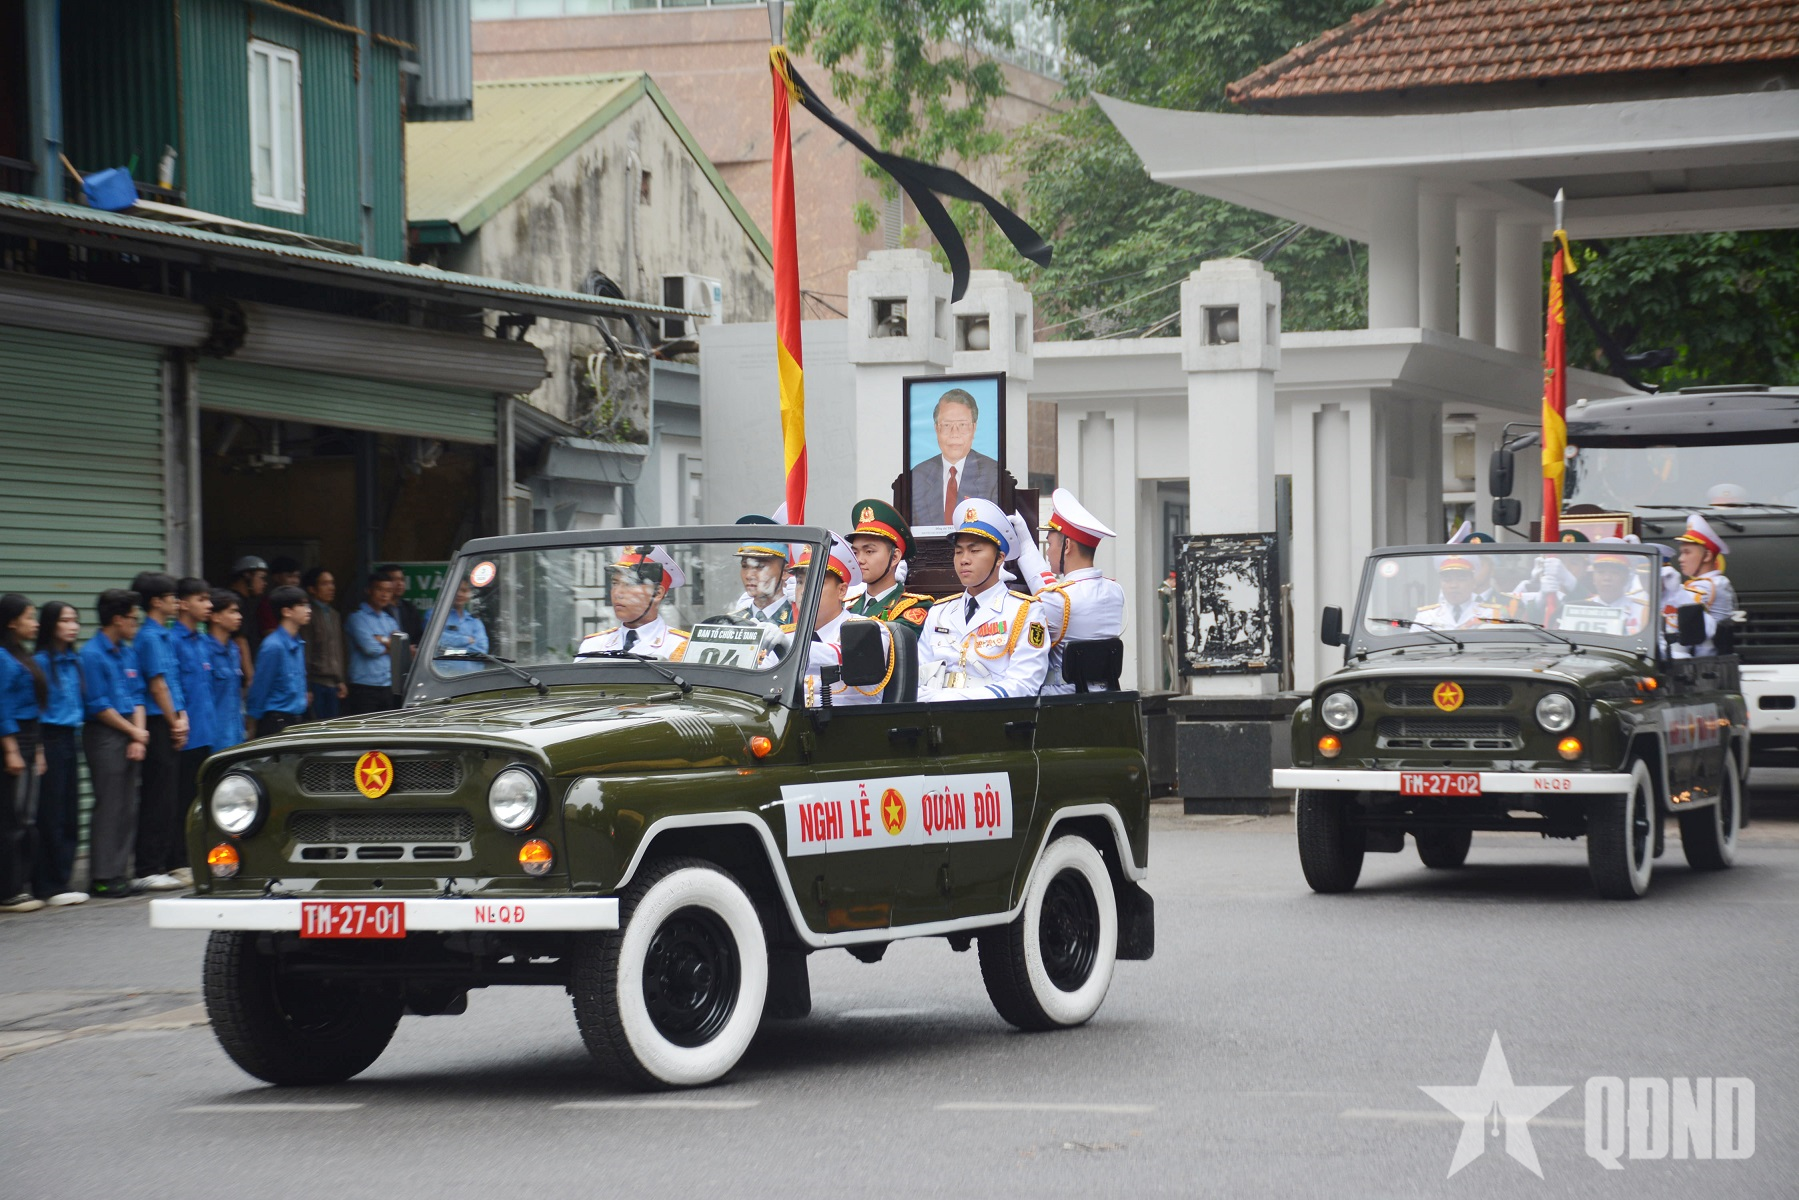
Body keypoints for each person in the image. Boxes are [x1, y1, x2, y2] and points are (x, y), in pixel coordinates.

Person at [918, 498, 1050, 701]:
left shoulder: (1025, 611)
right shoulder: (939, 612)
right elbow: (918, 675)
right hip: (934, 714)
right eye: (958, 551)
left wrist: (954, 700)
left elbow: (1024, 684)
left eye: (975, 550)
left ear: (999, 558)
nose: (964, 559)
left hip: (992, 718)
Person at [1008, 488, 1127, 695]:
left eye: (1050, 543)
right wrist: (1026, 542)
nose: (1048, 551)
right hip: (1105, 697)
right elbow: (1047, 587)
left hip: (1061, 701)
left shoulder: (1059, 600)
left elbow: (1047, 593)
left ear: (1068, 546)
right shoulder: (1114, 591)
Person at [80, 589, 149, 898]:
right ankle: (103, 876)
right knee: (109, 805)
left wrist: (139, 734)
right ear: (118, 619)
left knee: (127, 806)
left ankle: (121, 871)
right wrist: (134, 733)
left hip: (130, 732)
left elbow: (137, 696)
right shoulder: (92, 654)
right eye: (133, 619)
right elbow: (98, 705)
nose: (136, 624)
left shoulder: (128, 651)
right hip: (105, 733)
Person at [129, 572, 187, 893]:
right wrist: (174, 719)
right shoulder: (149, 637)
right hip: (157, 721)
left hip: (171, 719)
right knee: (156, 795)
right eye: (171, 597)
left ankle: (162, 862)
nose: (176, 602)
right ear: (155, 601)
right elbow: (157, 684)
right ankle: (147, 867)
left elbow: (173, 681)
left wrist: (182, 717)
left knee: (168, 795)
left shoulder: (163, 634)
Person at [31, 601, 88, 907]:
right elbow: (35, 711)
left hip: (70, 739)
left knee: (69, 811)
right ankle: (47, 883)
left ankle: (62, 879)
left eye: (75, 620)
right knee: (49, 813)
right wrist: (38, 749)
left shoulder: (73, 660)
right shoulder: (39, 661)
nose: (73, 626)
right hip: (49, 739)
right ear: (51, 624)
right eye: (66, 620)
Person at [794, 534, 892, 709]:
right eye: (800, 582)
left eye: (816, 582)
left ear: (842, 591)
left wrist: (786, 648)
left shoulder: (869, 630)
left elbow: (839, 655)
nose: (804, 590)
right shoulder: (787, 634)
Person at [168, 578, 217, 887]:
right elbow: (172, 685)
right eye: (202, 599)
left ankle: (196, 857)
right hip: (185, 734)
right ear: (183, 604)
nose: (208, 605)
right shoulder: (173, 641)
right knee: (180, 800)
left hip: (206, 731)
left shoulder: (203, 641)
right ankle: (177, 860)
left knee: (202, 799)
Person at [0, 595, 48, 913]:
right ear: (11, 622)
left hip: (30, 738)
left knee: (26, 817)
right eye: (30, 617)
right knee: (11, 818)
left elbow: (34, 709)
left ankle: (22, 884)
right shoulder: (3, 657)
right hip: (13, 741)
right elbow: (1, 705)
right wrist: (11, 750)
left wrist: (39, 750)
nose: (36, 623)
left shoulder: (22, 654)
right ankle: (9, 891)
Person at [576, 547, 690, 660]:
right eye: (615, 583)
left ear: (657, 593)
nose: (617, 593)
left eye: (629, 584)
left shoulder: (680, 647)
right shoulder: (594, 645)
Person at [908, 388, 1000, 527]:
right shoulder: (917, 477)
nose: (954, 433)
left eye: (962, 425)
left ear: (974, 428)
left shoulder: (993, 475)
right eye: (946, 425)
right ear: (936, 429)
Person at [846, 498, 932, 626]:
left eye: (869, 551)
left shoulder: (912, 607)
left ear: (895, 557)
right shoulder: (846, 606)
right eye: (855, 553)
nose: (859, 560)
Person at [1667, 512, 1737, 658]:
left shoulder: (1710, 585)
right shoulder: (1707, 583)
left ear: (1707, 556)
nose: (1681, 559)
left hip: (1705, 663)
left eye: (1687, 553)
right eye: (1681, 553)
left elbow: (1681, 618)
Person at [246, 586, 311, 737]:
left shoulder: (298, 643)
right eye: (301, 605)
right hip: (276, 722)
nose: (308, 610)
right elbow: (260, 687)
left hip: (296, 720)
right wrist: (252, 723)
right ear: (286, 611)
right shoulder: (273, 646)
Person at [1558, 540, 1650, 635]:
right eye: (1601, 572)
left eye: (1614, 573)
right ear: (1593, 577)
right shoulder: (1579, 608)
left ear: (1626, 578)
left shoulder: (1643, 610)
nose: (1607, 578)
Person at [344, 576, 401, 714]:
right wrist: (390, 644)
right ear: (368, 591)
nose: (384, 594)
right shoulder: (357, 618)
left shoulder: (389, 620)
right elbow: (370, 649)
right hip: (364, 685)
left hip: (387, 684)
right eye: (379, 589)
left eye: (388, 590)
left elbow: (400, 648)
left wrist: (382, 639)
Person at [300, 567, 348, 719]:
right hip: (315, 682)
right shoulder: (309, 614)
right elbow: (306, 651)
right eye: (325, 584)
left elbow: (339, 650)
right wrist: (306, 687)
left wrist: (341, 680)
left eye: (332, 583)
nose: (331, 588)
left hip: (333, 683)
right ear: (312, 589)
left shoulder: (334, 614)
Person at [1414, 554, 1508, 630]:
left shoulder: (1491, 615)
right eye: (1447, 580)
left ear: (1473, 583)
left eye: (1461, 579)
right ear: (1440, 584)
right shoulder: (1425, 617)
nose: (1453, 585)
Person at [732, 519, 796, 628]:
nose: (749, 575)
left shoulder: (797, 619)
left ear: (785, 572)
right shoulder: (733, 622)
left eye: (760, 566)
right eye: (744, 566)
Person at [207, 590, 248, 750]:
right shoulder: (204, 650)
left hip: (236, 734)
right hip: (214, 737)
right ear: (215, 617)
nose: (239, 616)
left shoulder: (233, 649)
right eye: (232, 612)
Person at [226, 555, 267, 691]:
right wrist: (250, 676)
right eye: (261, 578)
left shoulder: (247, 602)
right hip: (239, 676)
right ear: (247, 576)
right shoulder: (237, 603)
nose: (264, 583)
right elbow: (240, 640)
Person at [425, 579, 489, 665]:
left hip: (472, 676)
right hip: (442, 675)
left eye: (464, 590)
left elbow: (481, 650)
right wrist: (465, 640)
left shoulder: (475, 622)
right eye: (455, 590)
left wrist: (449, 652)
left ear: (469, 594)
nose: (459, 594)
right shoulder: (435, 615)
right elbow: (435, 641)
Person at [377, 564, 426, 644]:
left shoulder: (410, 608)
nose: (400, 583)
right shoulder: (378, 609)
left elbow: (419, 636)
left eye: (402, 579)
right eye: (394, 580)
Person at [255, 555, 302, 637]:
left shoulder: (300, 602)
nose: (295, 581)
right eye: (290, 576)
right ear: (276, 577)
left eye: (297, 576)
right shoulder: (268, 604)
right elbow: (270, 634)